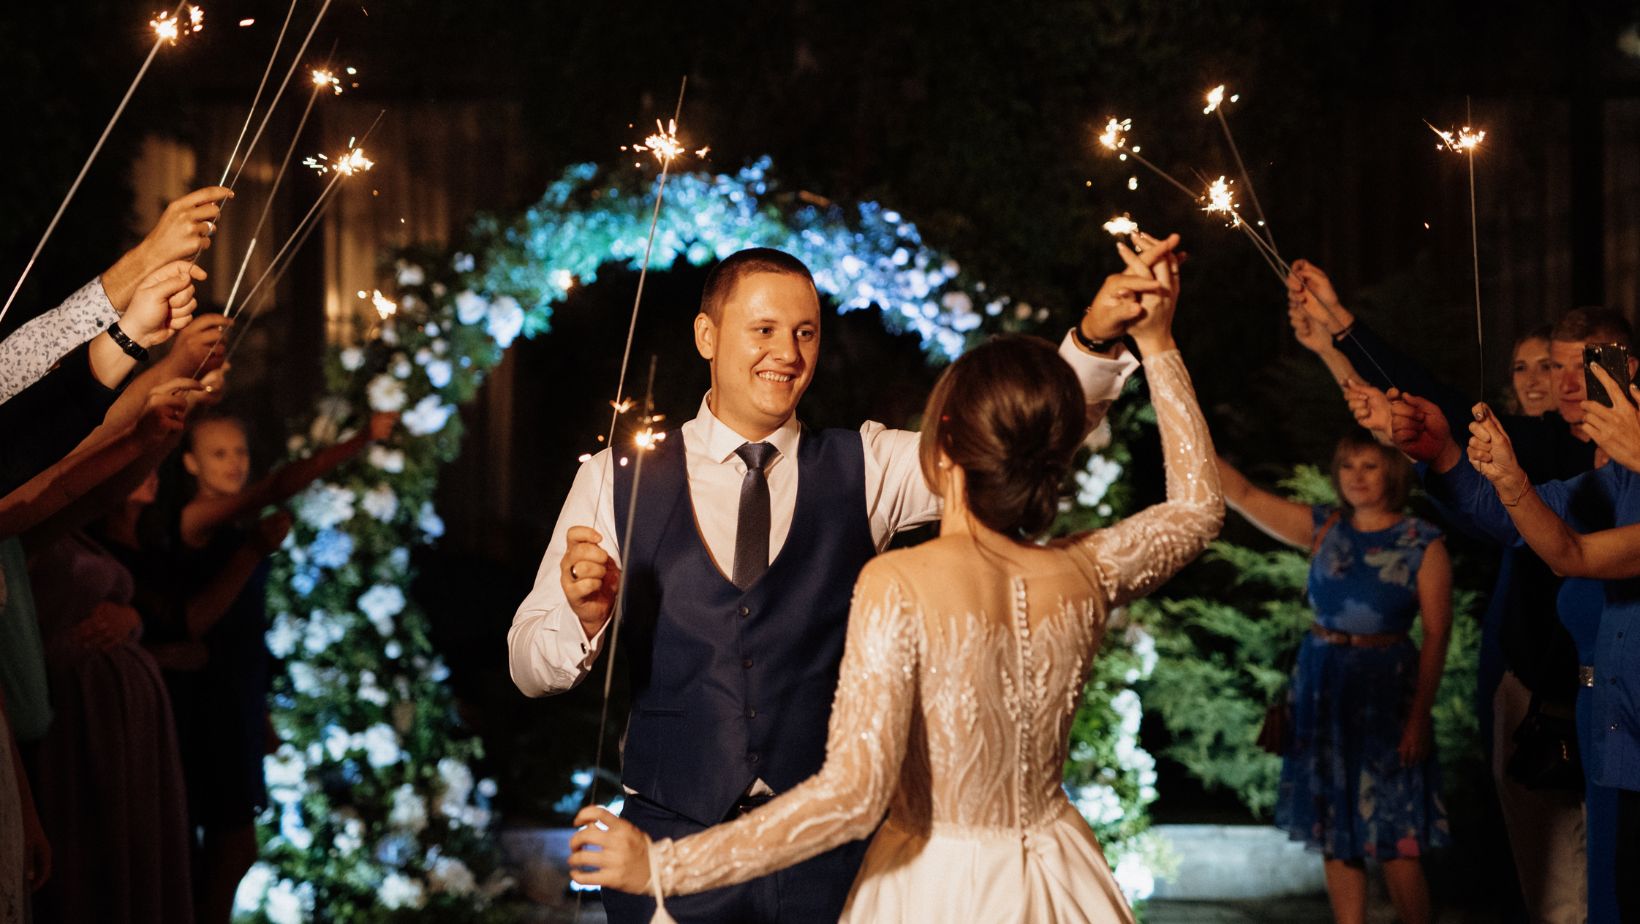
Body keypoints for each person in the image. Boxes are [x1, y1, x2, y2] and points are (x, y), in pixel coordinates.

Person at [565, 231, 1219, 923]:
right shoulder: (1085, 571)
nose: (788, 352)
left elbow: (851, 797)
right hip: (1058, 881)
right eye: (764, 328)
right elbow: (1200, 510)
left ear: (943, 445)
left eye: (806, 332)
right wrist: (1157, 342)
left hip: (922, 885)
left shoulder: (898, 577)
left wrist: (664, 868)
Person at [1288, 261, 1599, 924]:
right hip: (1522, 662)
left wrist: (1344, 331)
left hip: (1586, 671)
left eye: (1559, 366)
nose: (1547, 383)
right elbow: (1410, 422)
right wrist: (1337, 349)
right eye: (1525, 369)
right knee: (1546, 873)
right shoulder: (1520, 449)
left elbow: (1431, 417)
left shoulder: (1566, 456)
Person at [1399, 366, 1640, 924]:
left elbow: (1572, 555)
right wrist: (1448, 459)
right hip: (1620, 736)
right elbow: (1533, 525)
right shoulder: (1622, 482)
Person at [1215, 432, 1451, 924]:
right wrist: (1181, 423)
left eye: (1370, 465)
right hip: (1324, 687)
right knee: (1334, 827)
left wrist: (1419, 717)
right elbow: (1243, 495)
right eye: (1348, 466)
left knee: (1397, 835)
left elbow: (1436, 633)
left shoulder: (1420, 541)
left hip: (1387, 693)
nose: (1358, 476)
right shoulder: (1323, 528)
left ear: (1393, 471)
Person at [172, 408, 395, 924]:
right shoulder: (195, 521)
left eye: (240, 451)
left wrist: (262, 716)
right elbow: (275, 487)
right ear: (189, 463)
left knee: (232, 847)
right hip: (206, 701)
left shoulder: (238, 523)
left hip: (238, 695)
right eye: (218, 453)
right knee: (224, 847)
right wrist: (360, 439)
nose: (233, 464)